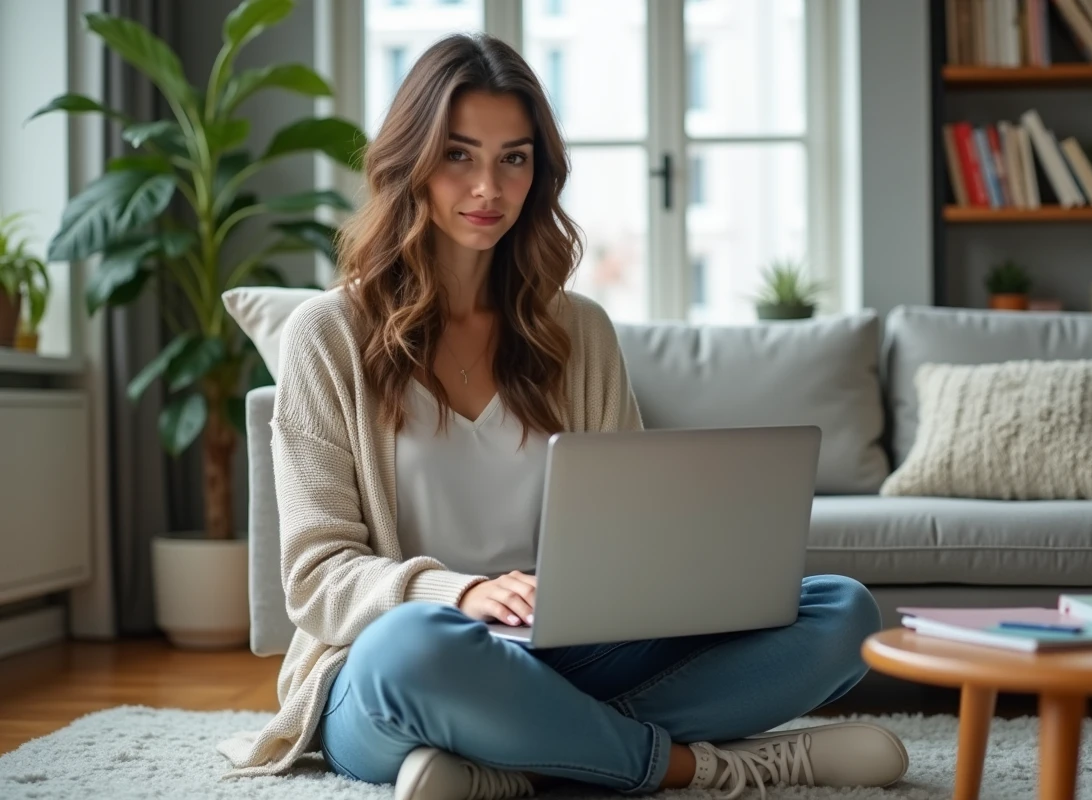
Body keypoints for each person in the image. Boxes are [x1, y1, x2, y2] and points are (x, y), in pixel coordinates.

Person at [219, 32, 909, 800]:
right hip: (401, 664)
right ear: (410, 161)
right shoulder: (328, 335)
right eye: (458, 154)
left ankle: (509, 759)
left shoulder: (577, 330)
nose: (488, 186)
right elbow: (315, 579)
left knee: (843, 611)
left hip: (566, 652)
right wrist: (461, 593)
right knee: (414, 650)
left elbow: (631, 536)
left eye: (513, 158)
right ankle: (703, 766)